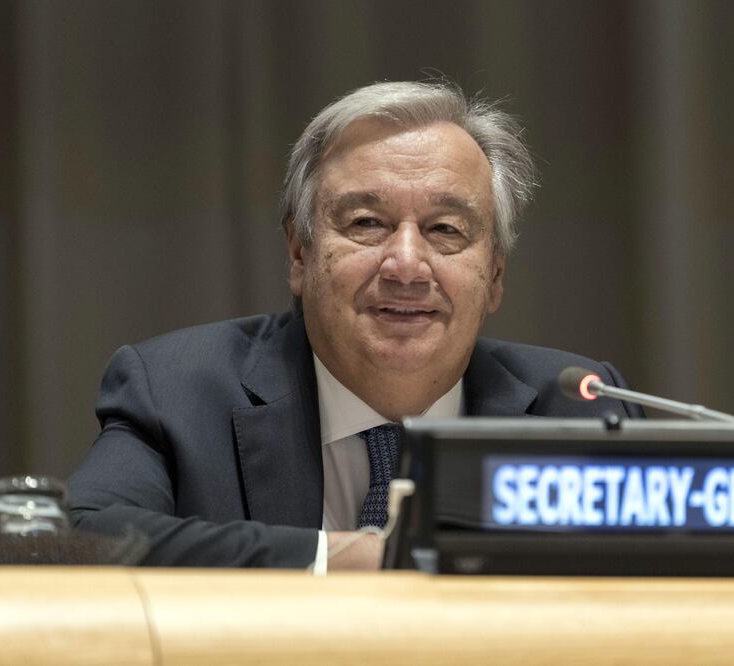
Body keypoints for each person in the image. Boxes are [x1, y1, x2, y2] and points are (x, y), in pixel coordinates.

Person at [68, 80, 642, 571]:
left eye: (445, 230)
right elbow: (79, 538)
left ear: (493, 275)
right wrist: (356, 559)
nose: (407, 265)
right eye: (367, 223)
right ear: (299, 253)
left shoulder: (579, 409)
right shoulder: (178, 391)